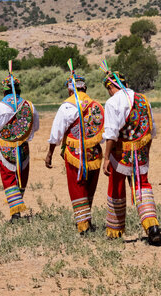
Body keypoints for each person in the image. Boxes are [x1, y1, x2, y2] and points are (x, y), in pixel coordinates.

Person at [100, 68, 161, 245]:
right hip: (141, 151)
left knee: (117, 188)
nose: (109, 92)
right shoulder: (143, 99)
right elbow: (151, 129)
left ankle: (115, 230)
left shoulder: (113, 102)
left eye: (109, 89)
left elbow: (111, 133)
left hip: (121, 154)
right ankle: (152, 227)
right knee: (142, 186)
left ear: (112, 86)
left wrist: (106, 158)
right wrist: (146, 150)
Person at [45, 73, 104, 235]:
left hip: (75, 152)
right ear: (84, 88)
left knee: (77, 186)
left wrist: (50, 153)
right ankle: (87, 221)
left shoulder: (67, 106)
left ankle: (83, 225)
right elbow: (102, 134)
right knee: (89, 186)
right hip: (93, 153)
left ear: (71, 91)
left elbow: (56, 131)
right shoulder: (96, 105)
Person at [0, 73, 39, 221]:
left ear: (4, 91)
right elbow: (35, 126)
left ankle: (15, 212)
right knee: (22, 177)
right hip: (23, 147)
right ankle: (17, 207)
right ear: (19, 90)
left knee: (8, 178)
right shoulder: (29, 106)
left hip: (5, 149)